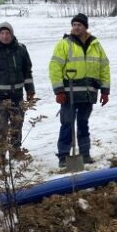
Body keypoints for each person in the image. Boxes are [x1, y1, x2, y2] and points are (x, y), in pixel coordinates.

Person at [49, 13, 110, 168]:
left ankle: (85, 154)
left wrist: (105, 91)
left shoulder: (95, 45)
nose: (76, 27)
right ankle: (63, 156)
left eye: (79, 25)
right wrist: (59, 91)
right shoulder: (64, 44)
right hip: (68, 94)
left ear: (85, 27)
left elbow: (104, 68)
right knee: (67, 125)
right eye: (74, 25)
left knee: (83, 124)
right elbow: (55, 67)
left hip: (88, 94)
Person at [0, 21, 35, 160]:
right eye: (2, 33)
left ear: (12, 34)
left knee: (17, 124)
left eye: (7, 33)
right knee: (0, 127)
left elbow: (27, 72)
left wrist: (30, 90)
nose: (5, 36)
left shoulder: (21, 49)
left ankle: (15, 152)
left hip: (17, 95)